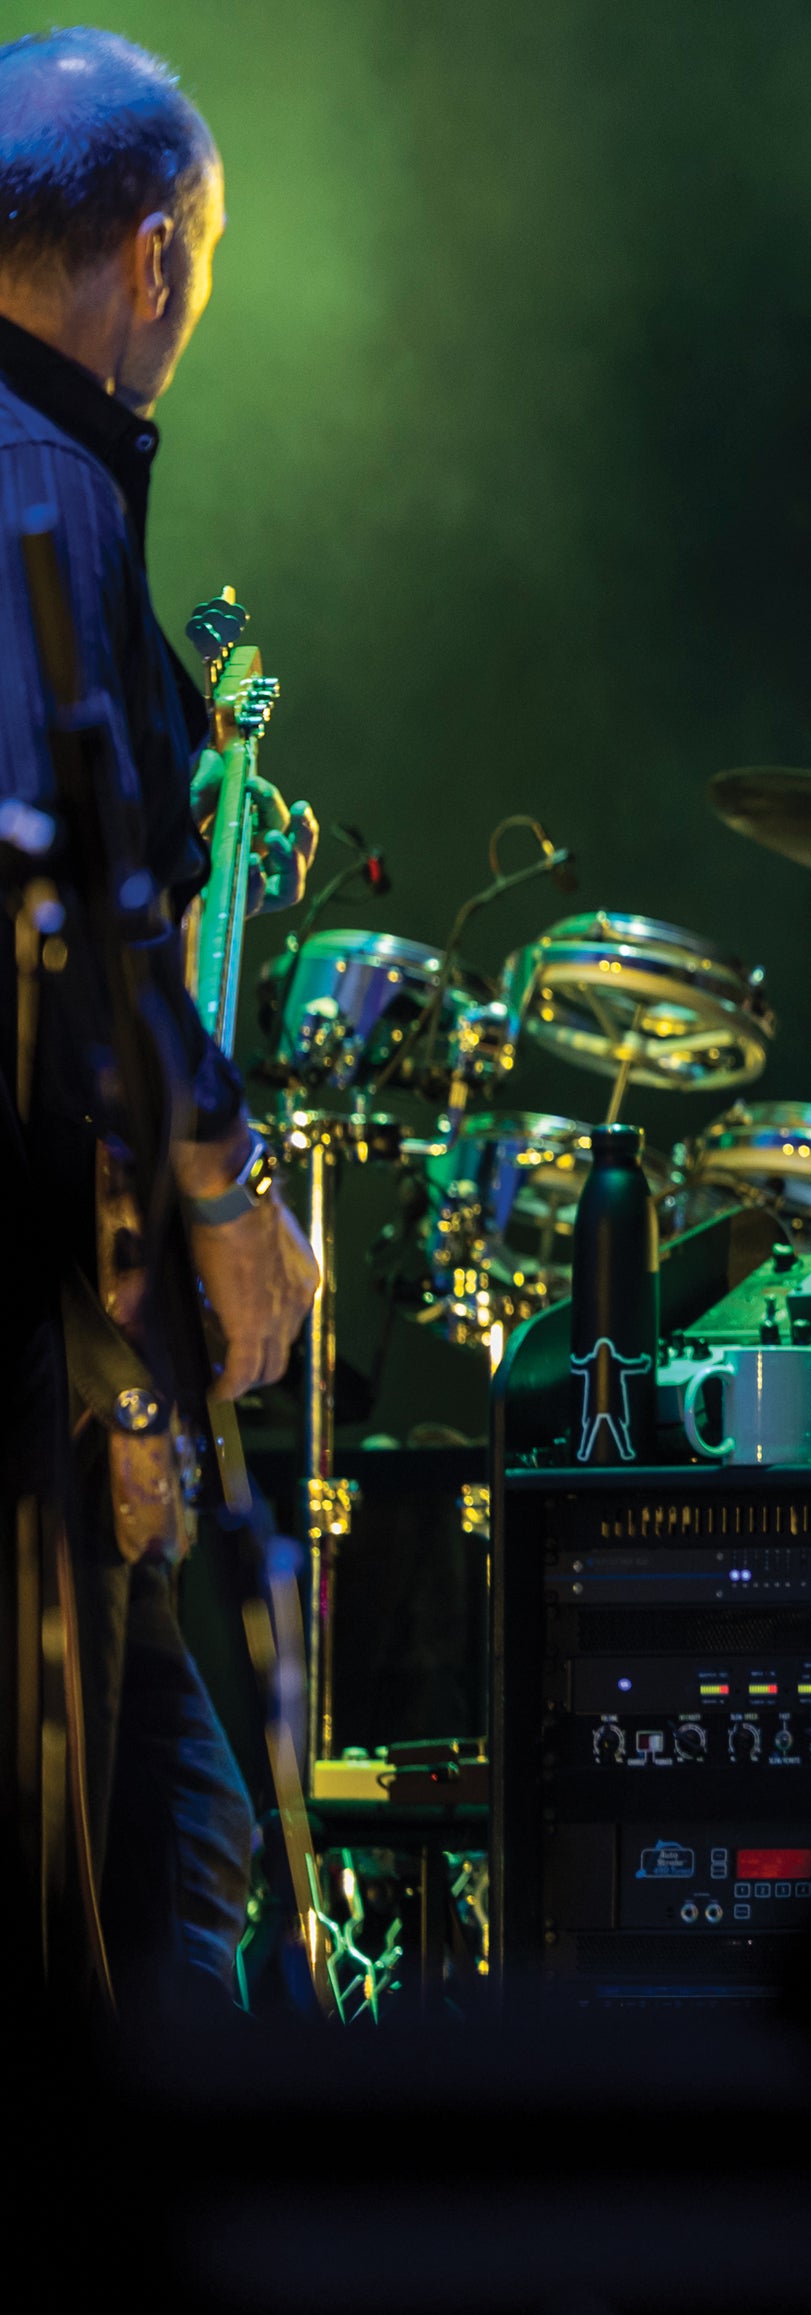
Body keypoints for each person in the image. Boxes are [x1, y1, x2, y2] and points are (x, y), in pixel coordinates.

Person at [0, 27, 320, 2014]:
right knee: (155, 1890)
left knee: (174, 1852)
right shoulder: (43, 485)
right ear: (155, 261)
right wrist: (218, 1207)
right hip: (45, 1371)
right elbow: (52, 942)